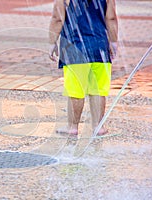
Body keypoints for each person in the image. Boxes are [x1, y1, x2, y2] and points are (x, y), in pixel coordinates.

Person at [49, 0, 118, 136]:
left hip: (75, 47)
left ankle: (72, 127)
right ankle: (98, 126)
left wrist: (52, 42)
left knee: (76, 90)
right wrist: (114, 41)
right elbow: (111, 17)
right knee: (98, 90)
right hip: (99, 46)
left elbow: (57, 18)